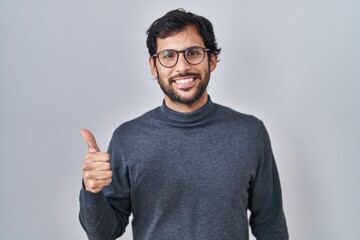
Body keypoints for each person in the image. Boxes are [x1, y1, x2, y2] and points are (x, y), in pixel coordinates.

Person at [79, 8, 289, 240]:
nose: (182, 67)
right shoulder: (128, 138)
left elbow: (271, 226)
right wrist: (92, 192)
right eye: (168, 56)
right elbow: (102, 233)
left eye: (193, 53)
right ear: (153, 66)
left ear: (212, 60)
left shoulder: (250, 133)